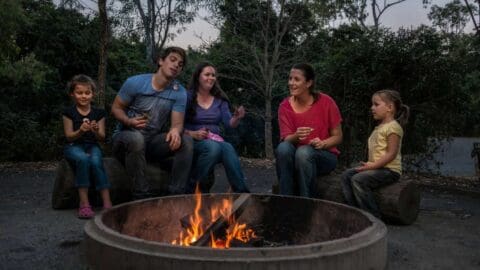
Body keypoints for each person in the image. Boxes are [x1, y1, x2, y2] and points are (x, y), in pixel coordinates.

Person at [111, 46, 193, 199]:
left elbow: (177, 124)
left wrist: (175, 130)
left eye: (180, 64)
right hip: (125, 139)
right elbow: (116, 108)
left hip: (151, 144)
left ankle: (175, 195)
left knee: (186, 141)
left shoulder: (179, 92)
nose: (176, 65)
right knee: (136, 139)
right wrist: (129, 121)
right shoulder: (135, 82)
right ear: (161, 61)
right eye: (173, 60)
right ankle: (141, 196)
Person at [275, 63, 343, 198]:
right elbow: (286, 139)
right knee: (283, 148)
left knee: (304, 152)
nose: (291, 83)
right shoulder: (284, 106)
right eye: (290, 79)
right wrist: (296, 136)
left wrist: (323, 143)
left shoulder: (326, 102)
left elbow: (338, 137)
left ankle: (306, 203)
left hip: (324, 156)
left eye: (296, 79)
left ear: (309, 83)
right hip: (295, 158)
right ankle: (285, 201)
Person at [341, 90, 410, 218]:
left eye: (376, 104)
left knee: (358, 180)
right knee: (346, 175)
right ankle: (353, 212)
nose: (372, 108)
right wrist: (370, 165)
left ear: (389, 107)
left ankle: (372, 217)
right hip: (376, 167)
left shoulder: (393, 127)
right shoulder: (379, 127)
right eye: (372, 104)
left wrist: (371, 167)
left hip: (389, 170)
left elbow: (391, 154)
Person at [184, 62, 250, 193]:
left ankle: (242, 192)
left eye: (213, 75)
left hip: (215, 140)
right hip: (192, 139)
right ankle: (192, 188)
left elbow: (229, 124)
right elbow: (175, 124)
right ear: (198, 77)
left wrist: (237, 117)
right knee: (213, 147)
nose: (211, 78)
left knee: (228, 147)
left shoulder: (220, 99)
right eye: (207, 74)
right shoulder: (187, 97)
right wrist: (193, 133)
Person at [62, 74, 112, 219]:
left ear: (93, 94)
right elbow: (69, 136)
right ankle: (84, 204)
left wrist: (95, 130)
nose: (84, 96)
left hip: (92, 146)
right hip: (73, 146)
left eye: (87, 93)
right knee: (83, 159)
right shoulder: (68, 113)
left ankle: (107, 203)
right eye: (79, 93)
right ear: (72, 94)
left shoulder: (99, 113)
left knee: (96, 162)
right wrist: (81, 130)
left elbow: (102, 138)